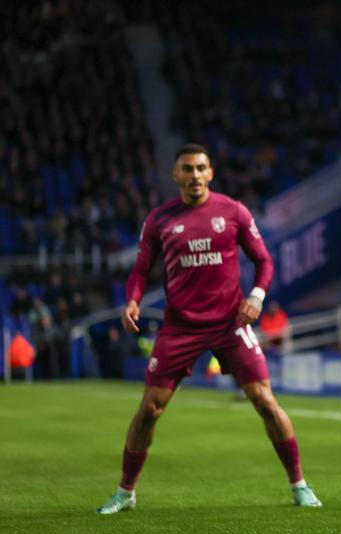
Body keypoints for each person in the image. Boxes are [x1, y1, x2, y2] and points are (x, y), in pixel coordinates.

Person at [96, 144, 321, 514]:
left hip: (230, 322)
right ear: (176, 175)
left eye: (201, 168)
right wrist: (133, 298)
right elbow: (140, 269)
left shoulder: (233, 211)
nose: (195, 175)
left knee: (265, 401)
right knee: (150, 409)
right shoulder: (159, 220)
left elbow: (264, 260)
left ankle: (299, 484)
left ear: (211, 173)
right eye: (187, 169)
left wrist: (258, 297)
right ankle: (125, 492)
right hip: (180, 327)